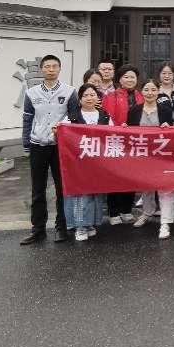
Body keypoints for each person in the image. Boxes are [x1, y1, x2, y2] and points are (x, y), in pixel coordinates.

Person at [19, 54, 78, 246]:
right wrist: (26, 141)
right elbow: (27, 118)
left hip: (60, 147)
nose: (51, 69)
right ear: (41, 69)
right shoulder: (31, 93)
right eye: (47, 66)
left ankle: (61, 227)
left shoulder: (69, 91)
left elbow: (74, 117)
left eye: (54, 66)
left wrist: (63, 126)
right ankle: (38, 230)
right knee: (38, 189)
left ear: (60, 69)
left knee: (62, 189)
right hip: (38, 145)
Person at [57, 83, 113, 242]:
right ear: (80, 99)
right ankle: (79, 226)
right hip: (78, 164)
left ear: (98, 98)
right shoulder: (72, 117)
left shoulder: (105, 116)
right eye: (85, 95)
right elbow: (63, 137)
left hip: (98, 164)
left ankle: (91, 224)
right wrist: (57, 130)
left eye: (92, 95)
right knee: (80, 195)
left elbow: (113, 136)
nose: (89, 98)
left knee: (95, 194)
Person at [128, 79, 174, 239]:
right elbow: (129, 133)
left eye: (153, 90)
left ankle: (165, 222)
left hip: (162, 155)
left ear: (158, 91)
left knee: (166, 187)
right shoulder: (134, 110)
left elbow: (172, 133)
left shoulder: (165, 110)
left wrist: (169, 128)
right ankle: (147, 213)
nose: (150, 93)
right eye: (147, 90)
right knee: (146, 186)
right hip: (142, 155)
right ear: (141, 92)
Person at [101, 64, 143, 224]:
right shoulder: (111, 96)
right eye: (126, 77)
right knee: (115, 176)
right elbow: (108, 118)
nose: (130, 79)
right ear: (119, 79)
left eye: (133, 77)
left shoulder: (140, 95)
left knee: (131, 176)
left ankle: (126, 210)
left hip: (135, 142)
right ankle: (113, 212)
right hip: (117, 141)